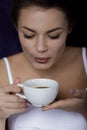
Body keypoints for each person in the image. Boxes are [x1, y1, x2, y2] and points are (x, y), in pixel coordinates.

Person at [0, 0, 87, 129]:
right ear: (16, 26)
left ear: (69, 27)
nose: (41, 48)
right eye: (29, 35)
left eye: (54, 36)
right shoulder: (2, 71)